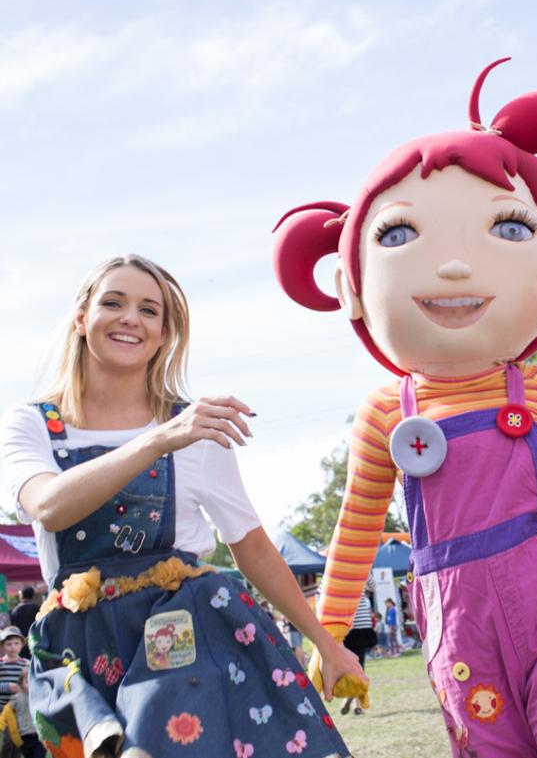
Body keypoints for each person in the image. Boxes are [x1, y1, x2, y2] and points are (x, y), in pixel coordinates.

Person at [272, 59, 537, 757]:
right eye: (397, 235)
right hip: (457, 621)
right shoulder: (387, 411)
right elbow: (354, 529)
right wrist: (330, 636)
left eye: (508, 228)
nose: (452, 267)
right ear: (350, 286)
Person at [0, 254, 365, 757]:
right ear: (82, 318)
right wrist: (157, 440)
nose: (131, 317)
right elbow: (48, 507)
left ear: (165, 335)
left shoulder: (195, 429)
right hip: (80, 645)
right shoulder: (32, 424)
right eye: (113, 302)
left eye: (149, 310)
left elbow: (253, 547)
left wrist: (326, 643)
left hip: (183, 630)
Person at [340, 592, 376, 716]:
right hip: (361, 629)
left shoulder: (341, 583)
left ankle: (355, 703)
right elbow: (372, 586)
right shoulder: (361, 578)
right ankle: (356, 705)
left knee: (351, 669)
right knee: (359, 669)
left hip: (347, 630)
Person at [0, 667, 45, 758]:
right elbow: (6, 712)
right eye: (27, 682)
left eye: (33, 681)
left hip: (39, 736)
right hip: (24, 737)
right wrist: (1, 724)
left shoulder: (40, 697)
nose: (31, 685)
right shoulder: (17, 698)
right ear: (21, 684)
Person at [0, 629, 28, 711]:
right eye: (8, 644)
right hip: (1, 706)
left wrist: (21, 688)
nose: (13, 647)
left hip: (20, 707)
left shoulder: (26, 664)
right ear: (2, 646)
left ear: (22, 645)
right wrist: (7, 687)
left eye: (16, 643)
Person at [8, 589, 38, 659]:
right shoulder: (37, 608)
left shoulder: (15, 610)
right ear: (32, 596)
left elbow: (12, 626)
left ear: (21, 596)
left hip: (20, 639)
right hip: (34, 638)